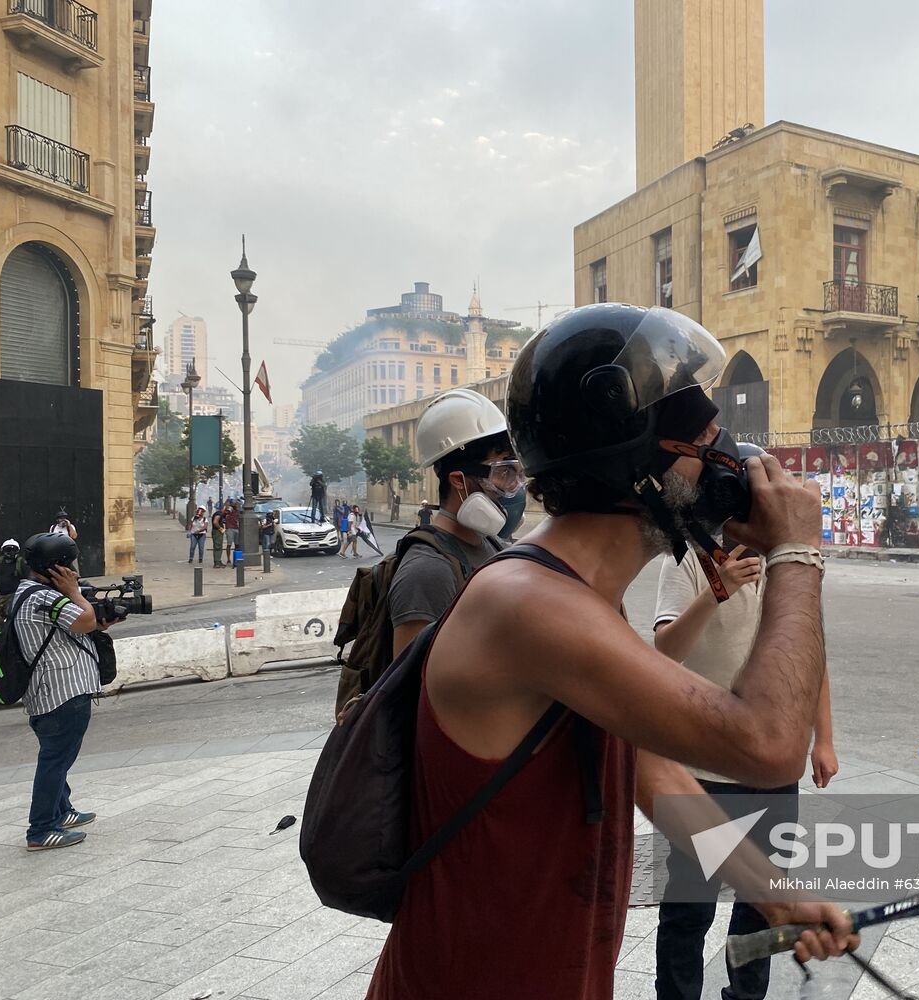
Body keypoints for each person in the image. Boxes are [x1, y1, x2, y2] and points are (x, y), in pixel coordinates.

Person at [366, 304, 854, 998]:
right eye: (702, 441)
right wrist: (797, 552)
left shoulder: (578, 600)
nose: (728, 461)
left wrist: (771, 891)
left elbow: (652, 772)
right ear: (638, 462)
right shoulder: (530, 608)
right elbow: (770, 745)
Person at [652, 518, 838, 1000]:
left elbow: (811, 658)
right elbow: (665, 649)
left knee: (761, 904)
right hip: (704, 769)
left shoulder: (786, 568)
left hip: (773, 767)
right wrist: (719, 588)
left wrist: (823, 739)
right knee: (690, 908)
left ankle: (746, 996)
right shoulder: (687, 558)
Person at [384, 388, 522, 665]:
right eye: (504, 473)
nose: (515, 486)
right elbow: (412, 682)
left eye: (518, 472)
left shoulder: (491, 545)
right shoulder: (427, 571)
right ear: (458, 480)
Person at [15, 533, 112, 850]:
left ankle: (62, 810)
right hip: (60, 695)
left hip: (53, 692)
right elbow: (85, 621)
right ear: (56, 567)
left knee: (57, 757)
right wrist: (74, 593)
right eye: (69, 564)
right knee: (55, 761)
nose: (73, 570)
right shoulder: (44, 598)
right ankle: (41, 829)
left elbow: (78, 626)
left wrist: (99, 620)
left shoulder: (31, 591)